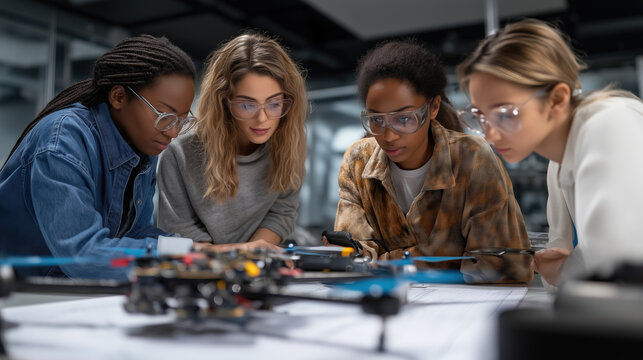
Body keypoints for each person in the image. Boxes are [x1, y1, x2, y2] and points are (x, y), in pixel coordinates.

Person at [456, 19, 643, 286]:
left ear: (557, 99)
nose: (489, 135)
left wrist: (566, 270)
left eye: (505, 114)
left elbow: (620, 269)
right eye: (480, 116)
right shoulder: (558, 162)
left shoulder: (610, 122)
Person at [331, 40, 533, 283]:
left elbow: (502, 264)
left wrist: (382, 261)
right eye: (376, 120)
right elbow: (350, 258)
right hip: (383, 303)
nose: (389, 135)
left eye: (404, 119)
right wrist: (447, 257)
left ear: (433, 107)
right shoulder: (358, 160)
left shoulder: (472, 157)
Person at [0, 35, 197, 280]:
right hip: (17, 294)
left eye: (182, 119)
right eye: (164, 115)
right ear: (118, 97)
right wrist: (181, 256)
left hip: (63, 292)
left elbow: (134, 234)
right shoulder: (63, 140)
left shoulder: (143, 144)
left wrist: (195, 251)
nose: (174, 132)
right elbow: (82, 255)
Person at [157, 32, 307, 251]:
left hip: (262, 268)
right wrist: (242, 254)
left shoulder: (290, 143)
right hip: (200, 272)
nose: (262, 119)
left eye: (274, 104)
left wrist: (257, 250)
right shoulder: (179, 153)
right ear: (223, 102)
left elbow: (282, 212)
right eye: (247, 105)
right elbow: (179, 238)